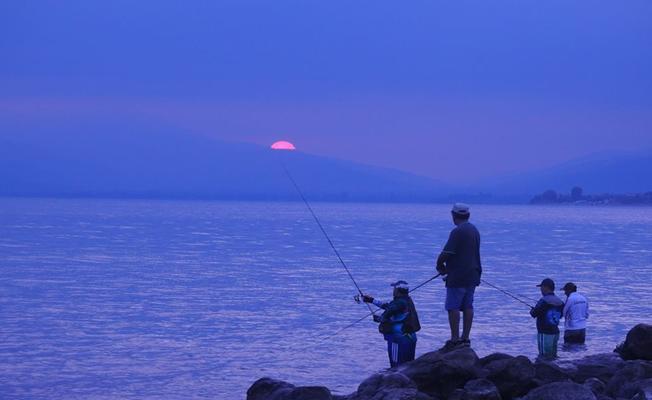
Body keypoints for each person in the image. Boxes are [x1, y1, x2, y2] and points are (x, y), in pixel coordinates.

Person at [436, 203, 482, 350]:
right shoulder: (474, 230)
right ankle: (465, 338)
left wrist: (439, 265)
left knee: (453, 307)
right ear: (467, 215)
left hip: (457, 276)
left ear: (454, 215)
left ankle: (455, 339)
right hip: (473, 274)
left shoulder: (457, 232)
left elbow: (447, 253)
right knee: (468, 305)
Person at [362, 280, 421, 367]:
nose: (393, 290)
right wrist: (372, 300)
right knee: (409, 366)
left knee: (396, 366)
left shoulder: (399, 302)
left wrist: (379, 319)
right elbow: (389, 307)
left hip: (398, 339)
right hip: (410, 337)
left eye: (394, 288)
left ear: (398, 290)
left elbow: (387, 313)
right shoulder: (407, 301)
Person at [530, 278, 564, 358]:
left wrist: (532, 310)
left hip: (544, 333)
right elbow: (561, 315)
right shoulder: (560, 301)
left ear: (546, 287)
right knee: (553, 355)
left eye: (541, 287)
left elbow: (534, 314)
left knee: (543, 356)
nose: (540, 290)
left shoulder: (543, 300)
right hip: (555, 332)